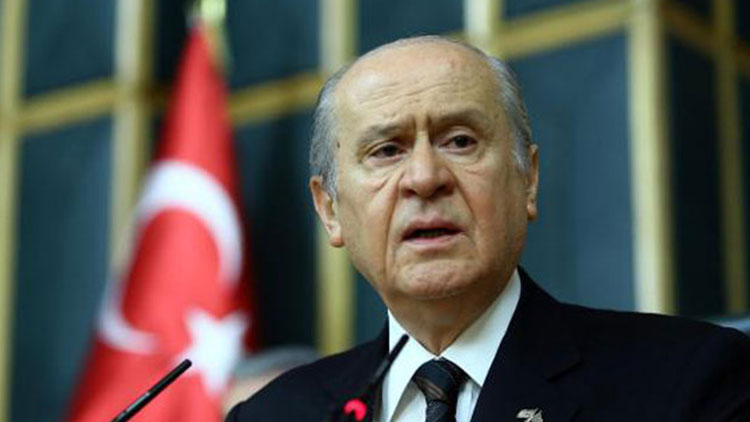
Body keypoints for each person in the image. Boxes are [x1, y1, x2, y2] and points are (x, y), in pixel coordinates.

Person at [227, 35, 750, 422]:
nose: (425, 177)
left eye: (460, 141)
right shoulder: (271, 415)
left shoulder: (686, 380)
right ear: (330, 210)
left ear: (528, 179)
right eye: (386, 150)